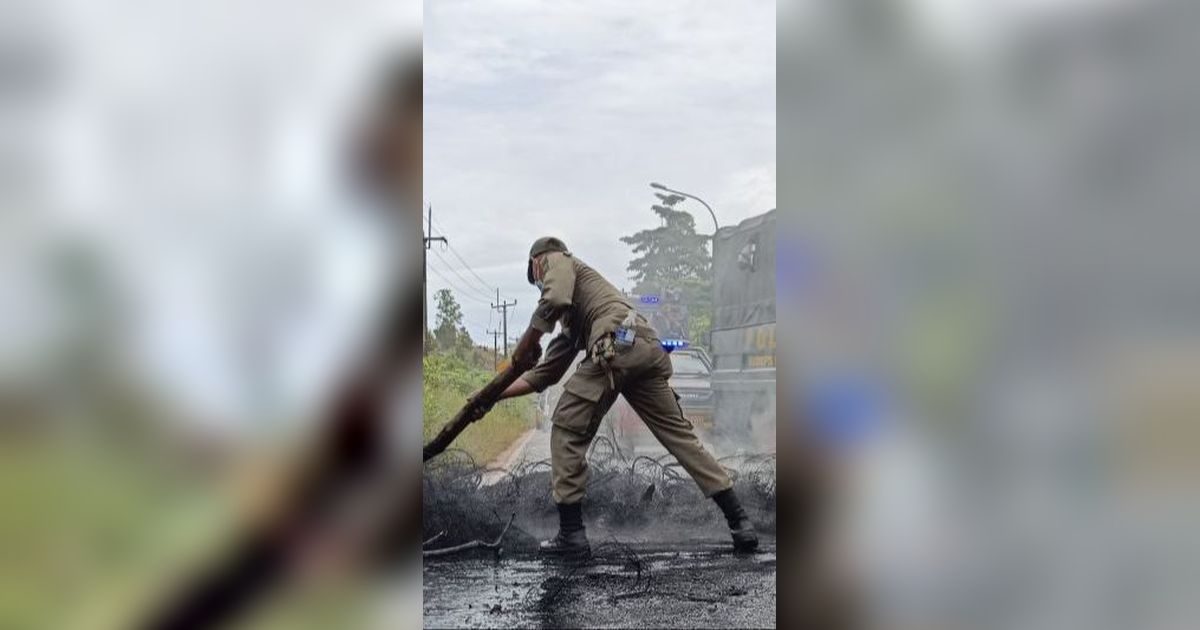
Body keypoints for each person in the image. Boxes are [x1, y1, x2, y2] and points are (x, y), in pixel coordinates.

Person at [477, 236, 758, 556]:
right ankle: (740, 522)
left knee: (567, 428)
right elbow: (546, 374)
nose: (539, 282)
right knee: (682, 439)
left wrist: (528, 341)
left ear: (537, 261)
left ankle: (571, 535)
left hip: (614, 343)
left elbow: (552, 298)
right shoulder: (577, 314)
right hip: (643, 347)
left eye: (536, 276)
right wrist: (492, 395)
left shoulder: (558, 260)